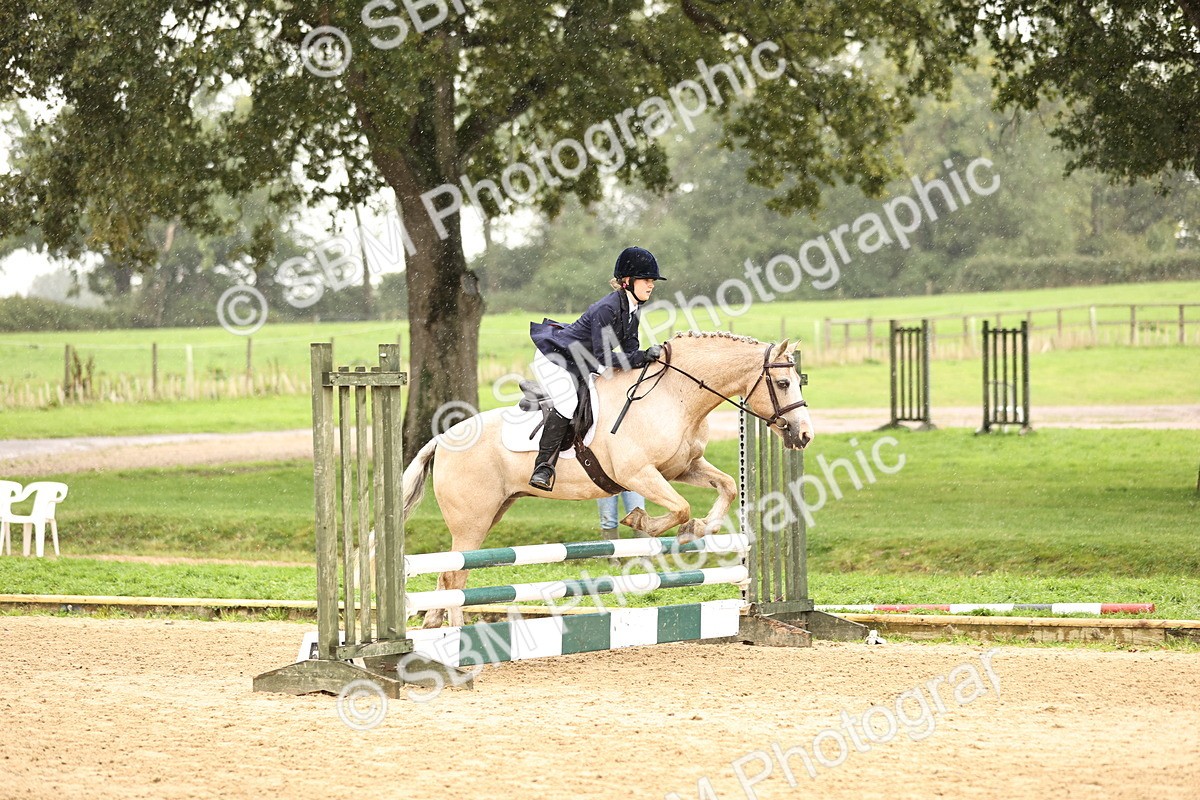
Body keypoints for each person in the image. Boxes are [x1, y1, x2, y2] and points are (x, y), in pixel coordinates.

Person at [527, 246, 666, 490]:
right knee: (568, 403)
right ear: (627, 281)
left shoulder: (632, 310)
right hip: (555, 358)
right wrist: (642, 356)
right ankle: (543, 468)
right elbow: (604, 357)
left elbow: (631, 350)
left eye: (652, 280)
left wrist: (648, 359)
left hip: (581, 361)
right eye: (646, 279)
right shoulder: (608, 308)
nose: (651, 284)